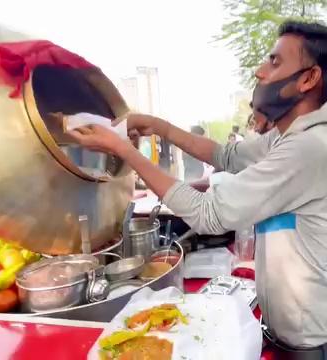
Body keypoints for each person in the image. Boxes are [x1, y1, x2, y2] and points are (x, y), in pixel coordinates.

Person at [68, 21, 327, 354]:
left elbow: (209, 214)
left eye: (275, 62)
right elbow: (225, 155)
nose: (261, 73)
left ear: (309, 78)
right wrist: (158, 126)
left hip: (309, 343)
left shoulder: (308, 148)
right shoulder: (287, 138)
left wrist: (124, 151)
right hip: (286, 330)